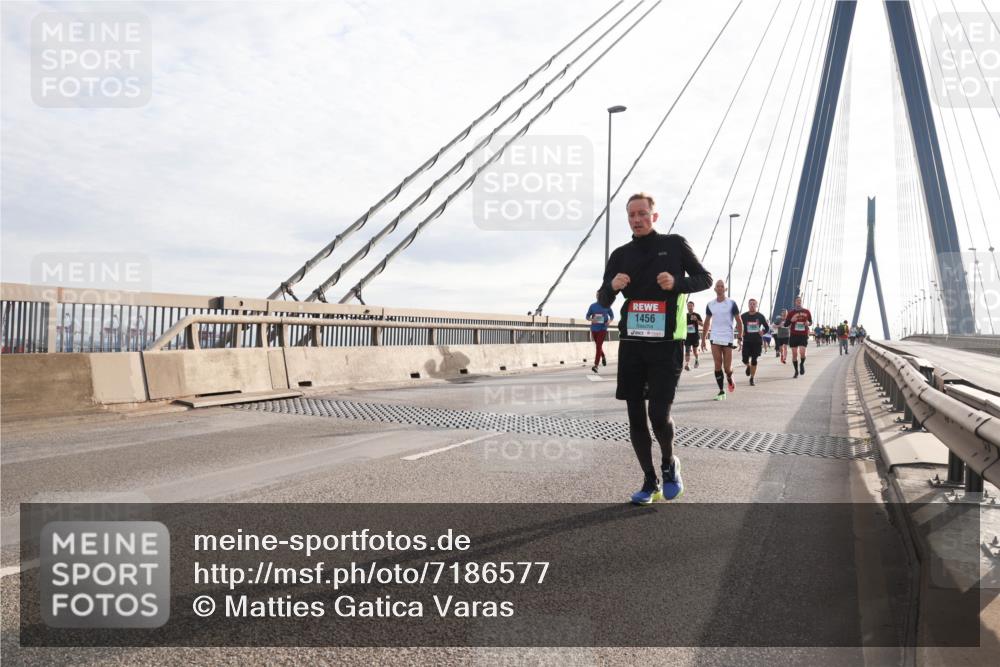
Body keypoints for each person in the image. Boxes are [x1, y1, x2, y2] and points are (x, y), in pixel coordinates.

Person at [598, 192, 712, 505]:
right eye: (631, 215)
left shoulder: (674, 244)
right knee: (636, 417)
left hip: (666, 344)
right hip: (632, 344)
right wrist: (612, 287)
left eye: (642, 214)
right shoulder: (620, 255)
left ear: (654, 216)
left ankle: (669, 463)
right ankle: (650, 481)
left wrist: (677, 283)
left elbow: (704, 278)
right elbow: (603, 299)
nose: (637, 219)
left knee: (658, 415)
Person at [701, 279, 743, 401]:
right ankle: (721, 391)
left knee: (727, 368)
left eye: (722, 286)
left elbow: (739, 321)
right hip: (715, 337)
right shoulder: (710, 304)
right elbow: (707, 322)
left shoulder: (731, 303)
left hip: (727, 337)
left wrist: (740, 337)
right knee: (717, 365)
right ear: (715, 289)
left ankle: (729, 377)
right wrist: (703, 339)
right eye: (717, 286)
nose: (719, 288)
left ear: (725, 289)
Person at [740, 299, 769, 386]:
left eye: (754, 304)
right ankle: (748, 366)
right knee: (744, 359)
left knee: (754, 360)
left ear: (756, 306)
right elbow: (738, 325)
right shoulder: (743, 316)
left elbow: (767, 327)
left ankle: (752, 378)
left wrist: (763, 332)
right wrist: (741, 332)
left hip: (757, 341)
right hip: (747, 341)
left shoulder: (760, 316)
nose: (752, 305)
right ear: (748, 305)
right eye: (750, 304)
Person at [783, 296, 813, 378]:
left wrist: (808, 323)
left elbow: (811, 322)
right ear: (795, 302)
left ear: (801, 302)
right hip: (794, 335)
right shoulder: (791, 313)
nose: (799, 302)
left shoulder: (807, 311)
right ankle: (796, 371)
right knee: (794, 354)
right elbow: (785, 324)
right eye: (797, 301)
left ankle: (802, 364)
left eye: (800, 301)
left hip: (803, 335)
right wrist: (791, 320)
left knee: (802, 353)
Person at [586, 292, 614, 373]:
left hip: (603, 328)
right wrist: (592, 320)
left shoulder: (607, 305)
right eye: (597, 295)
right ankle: (603, 356)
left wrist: (609, 321)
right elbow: (587, 316)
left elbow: (612, 316)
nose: (598, 296)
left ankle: (596, 366)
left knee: (598, 346)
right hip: (594, 329)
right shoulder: (592, 306)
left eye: (600, 295)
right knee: (598, 346)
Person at [684, 301, 703, 371]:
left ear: (693, 307)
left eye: (691, 306)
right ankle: (687, 364)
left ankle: (697, 360)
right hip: (687, 336)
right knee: (687, 350)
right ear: (687, 307)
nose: (690, 307)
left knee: (695, 351)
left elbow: (702, 324)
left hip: (695, 336)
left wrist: (696, 320)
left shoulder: (697, 315)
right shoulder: (685, 315)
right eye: (688, 306)